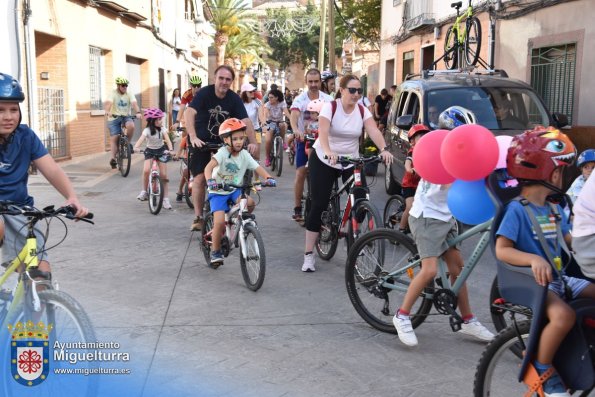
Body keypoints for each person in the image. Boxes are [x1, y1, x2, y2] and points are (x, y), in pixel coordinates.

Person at [495, 126, 595, 397]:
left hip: (560, 278)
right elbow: (502, 250)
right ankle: (541, 365)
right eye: (561, 170)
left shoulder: (553, 208)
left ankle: (578, 349)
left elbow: (570, 241)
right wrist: (531, 260)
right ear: (547, 172)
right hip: (537, 282)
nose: (563, 175)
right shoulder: (517, 210)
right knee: (564, 315)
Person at [392, 106, 494, 346]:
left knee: (458, 270)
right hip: (427, 217)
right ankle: (402, 315)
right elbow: (451, 182)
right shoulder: (438, 153)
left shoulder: (463, 154)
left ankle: (467, 320)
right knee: (429, 271)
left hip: (446, 218)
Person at [0, 72, 89, 280]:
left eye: (14, 109)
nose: (8, 116)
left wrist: (71, 197)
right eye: (1, 110)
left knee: (40, 278)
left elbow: (52, 170)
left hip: (19, 210)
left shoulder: (26, 136)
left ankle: (35, 305)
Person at [301, 74, 394, 272]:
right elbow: (323, 132)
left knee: (360, 197)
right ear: (342, 90)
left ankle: (351, 234)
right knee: (319, 203)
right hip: (324, 157)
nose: (356, 94)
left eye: (359, 91)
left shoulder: (361, 110)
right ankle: (309, 254)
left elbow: (373, 130)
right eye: (352, 90)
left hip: (350, 159)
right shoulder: (331, 107)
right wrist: (328, 151)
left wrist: (383, 148)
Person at [184, 65, 258, 231]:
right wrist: (193, 136)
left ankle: (227, 211)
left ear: (231, 81)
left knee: (231, 176)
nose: (224, 82)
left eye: (228, 79)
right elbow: (189, 113)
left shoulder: (234, 98)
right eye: (221, 78)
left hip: (224, 144)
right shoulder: (204, 93)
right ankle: (198, 217)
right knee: (200, 179)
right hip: (201, 142)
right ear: (215, 79)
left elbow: (245, 120)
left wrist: (253, 142)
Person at [204, 118, 276, 267]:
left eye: (241, 138)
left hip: (235, 189)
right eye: (235, 139)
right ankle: (215, 252)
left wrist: (268, 177)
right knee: (218, 223)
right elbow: (208, 168)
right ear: (226, 140)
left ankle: (239, 220)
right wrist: (210, 181)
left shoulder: (244, 154)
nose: (239, 142)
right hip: (218, 191)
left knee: (250, 203)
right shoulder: (222, 153)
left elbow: (257, 167)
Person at [289, 69, 333, 224]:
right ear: (306, 82)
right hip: (305, 141)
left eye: (316, 81)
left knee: (327, 174)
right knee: (301, 172)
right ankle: (297, 208)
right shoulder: (300, 100)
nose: (314, 85)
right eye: (310, 82)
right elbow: (294, 117)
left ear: (321, 81)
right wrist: (296, 131)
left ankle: (326, 207)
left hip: (323, 142)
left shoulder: (328, 99)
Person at [133, 107, 174, 209]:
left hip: (161, 150)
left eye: (161, 119)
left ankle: (165, 199)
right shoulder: (147, 130)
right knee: (146, 171)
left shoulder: (163, 129)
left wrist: (171, 149)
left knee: (164, 175)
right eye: (159, 119)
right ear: (152, 121)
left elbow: (168, 140)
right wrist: (136, 147)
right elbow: (140, 140)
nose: (161, 121)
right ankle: (144, 192)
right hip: (149, 151)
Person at [397, 124, 429, 233]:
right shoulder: (413, 150)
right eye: (420, 135)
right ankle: (401, 229)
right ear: (412, 141)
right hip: (410, 185)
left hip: (422, 184)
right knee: (410, 206)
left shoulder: (428, 150)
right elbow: (408, 162)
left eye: (425, 135)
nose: (423, 137)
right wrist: (409, 169)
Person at [104, 76, 141, 169]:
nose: (125, 87)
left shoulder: (129, 93)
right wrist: (108, 111)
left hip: (125, 116)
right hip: (114, 117)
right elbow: (108, 103)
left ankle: (127, 144)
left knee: (131, 125)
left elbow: (134, 104)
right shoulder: (113, 93)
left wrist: (138, 112)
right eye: (123, 85)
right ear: (118, 86)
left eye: (126, 86)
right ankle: (113, 159)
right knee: (115, 138)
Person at [573, 167, 595, 276]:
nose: (590, 170)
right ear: (581, 169)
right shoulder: (578, 183)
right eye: (586, 167)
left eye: (593, 167)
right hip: (588, 239)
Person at [240, 83, 263, 187]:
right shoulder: (239, 103)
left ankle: (257, 180)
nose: (253, 93)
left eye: (253, 91)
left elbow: (261, 114)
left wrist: (264, 123)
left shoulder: (256, 102)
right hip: (242, 131)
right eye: (250, 92)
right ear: (244, 93)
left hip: (256, 130)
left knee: (256, 155)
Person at [263, 89, 291, 167]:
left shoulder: (282, 103)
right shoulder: (267, 104)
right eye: (269, 97)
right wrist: (265, 120)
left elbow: (286, 113)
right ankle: (267, 158)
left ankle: (283, 141)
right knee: (268, 140)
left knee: (283, 125)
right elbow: (265, 114)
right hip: (270, 123)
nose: (269, 99)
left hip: (279, 121)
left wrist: (292, 120)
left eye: (271, 97)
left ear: (276, 98)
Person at [173, 128, 189, 202]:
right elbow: (180, 150)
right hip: (186, 160)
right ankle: (180, 191)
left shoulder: (199, 138)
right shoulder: (185, 139)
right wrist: (177, 156)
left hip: (196, 159)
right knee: (185, 174)